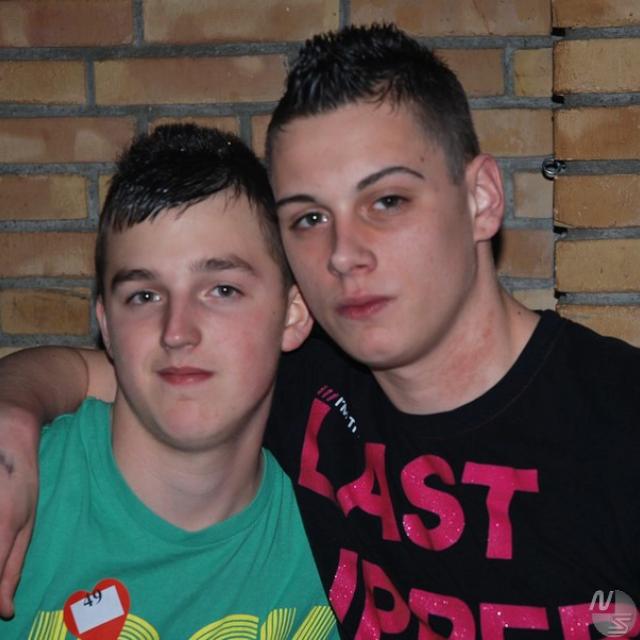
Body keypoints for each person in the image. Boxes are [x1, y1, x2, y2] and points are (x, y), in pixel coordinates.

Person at [1, 23, 639, 638]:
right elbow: (124, 368)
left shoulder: (617, 421)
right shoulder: (299, 385)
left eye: (386, 201)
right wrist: (13, 412)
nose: (343, 254)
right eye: (309, 218)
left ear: (482, 199)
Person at [0, 123, 339, 638]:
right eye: (145, 296)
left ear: (292, 314)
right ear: (107, 326)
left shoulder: (344, 533)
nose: (176, 332)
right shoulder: (19, 493)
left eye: (221, 290)